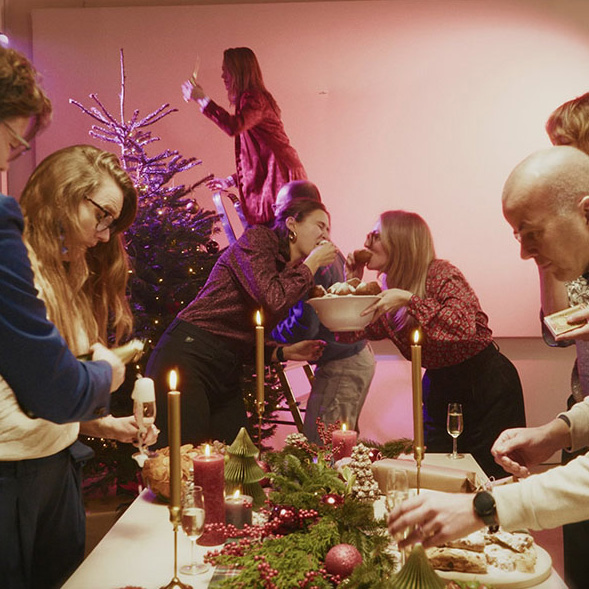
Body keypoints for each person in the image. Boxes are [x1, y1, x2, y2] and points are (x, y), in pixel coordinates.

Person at [387, 146, 589, 551]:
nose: (524, 252)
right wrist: (559, 431)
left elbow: (464, 327)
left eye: (532, 233)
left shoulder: (440, 274)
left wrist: (484, 507)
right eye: (517, 236)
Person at [0, 47, 125, 589]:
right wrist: (107, 373)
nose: (104, 234)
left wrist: (96, 423)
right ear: (65, 193)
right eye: (102, 215)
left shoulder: (72, 276)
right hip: (12, 473)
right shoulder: (19, 255)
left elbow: (34, 382)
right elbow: (48, 386)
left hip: (53, 463)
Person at [340, 210, 526, 479]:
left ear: (401, 242)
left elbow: (461, 327)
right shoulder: (386, 289)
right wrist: (352, 283)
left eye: (376, 235)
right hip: (439, 386)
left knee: (492, 473)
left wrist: (409, 300)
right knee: (439, 474)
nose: (366, 242)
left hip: (485, 383)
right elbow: (349, 334)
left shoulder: (441, 274)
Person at [146, 197, 337, 447]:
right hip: (189, 354)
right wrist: (312, 263)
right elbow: (272, 299)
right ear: (292, 224)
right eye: (320, 225)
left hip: (225, 367)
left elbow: (247, 331)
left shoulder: (291, 271)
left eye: (328, 230)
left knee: (241, 460)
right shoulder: (258, 240)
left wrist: (284, 352)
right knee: (185, 457)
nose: (325, 235)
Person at [271, 181, 375, 444]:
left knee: (323, 450)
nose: (276, 215)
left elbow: (307, 325)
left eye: (280, 208)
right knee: (338, 447)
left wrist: (270, 334)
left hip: (342, 363)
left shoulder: (313, 260)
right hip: (350, 358)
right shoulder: (324, 252)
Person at [539, 93, 589, 588]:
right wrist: (544, 250)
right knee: (579, 560)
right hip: (582, 413)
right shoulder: (572, 230)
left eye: (566, 145)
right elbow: (558, 329)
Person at [181, 47, 306, 226]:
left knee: (276, 233)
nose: (223, 76)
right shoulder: (253, 100)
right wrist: (230, 181)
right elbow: (258, 158)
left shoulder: (254, 98)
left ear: (238, 73)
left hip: (281, 178)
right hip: (279, 175)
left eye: (226, 71)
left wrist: (202, 99)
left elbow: (234, 126)